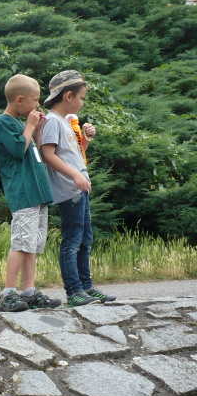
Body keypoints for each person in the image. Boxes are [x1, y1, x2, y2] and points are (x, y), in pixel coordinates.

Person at [40, 70, 116, 307]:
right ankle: (73, 291)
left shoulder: (66, 122)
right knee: (72, 241)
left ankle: (86, 287)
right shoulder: (52, 121)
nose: (82, 103)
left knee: (84, 240)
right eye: (81, 98)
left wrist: (85, 139)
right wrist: (75, 175)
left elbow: (74, 155)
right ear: (68, 96)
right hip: (69, 190)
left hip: (79, 188)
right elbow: (48, 154)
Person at [0, 75, 61, 312]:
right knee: (21, 243)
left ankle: (29, 291)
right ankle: (8, 294)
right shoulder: (3, 122)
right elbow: (17, 149)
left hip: (38, 192)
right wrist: (31, 126)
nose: (37, 105)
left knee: (32, 245)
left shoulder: (23, 125)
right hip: (23, 193)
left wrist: (37, 130)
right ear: (19, 100)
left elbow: (35, 151)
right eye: (35, 100)